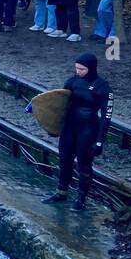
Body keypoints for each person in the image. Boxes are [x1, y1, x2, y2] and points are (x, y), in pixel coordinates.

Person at [43, 53, 111, 211]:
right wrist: (51, 123)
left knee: (84, 165)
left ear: (91, 68)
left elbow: (106, 117)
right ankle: (61, 192)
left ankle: (81, 199)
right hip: (69, 127)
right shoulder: (72, 81)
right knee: (64, 160)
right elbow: (59, 102)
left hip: (88, 130)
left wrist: (100, 141)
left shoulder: (103, 87)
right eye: (76, 68)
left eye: (82, 69)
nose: (78, 71)